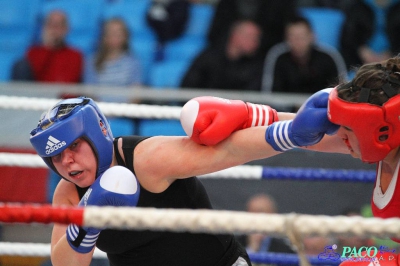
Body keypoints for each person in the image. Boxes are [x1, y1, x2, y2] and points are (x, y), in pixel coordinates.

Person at [29, 95, 312, 265]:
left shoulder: (147, 159)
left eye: (74, 147)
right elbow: (65, 263)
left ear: (97, 133)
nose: (67, 162)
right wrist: (85, 220)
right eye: (56, 156)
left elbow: (228, 150)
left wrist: (292, 132)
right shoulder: (68, 193)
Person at [181, 55, 400, 260]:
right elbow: (302, 131)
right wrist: (248, 115)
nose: (339, 134)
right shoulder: (378, 146)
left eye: (349, 128)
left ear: (380, 132)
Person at [262, 16, 347, 94]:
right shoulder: (278, 56)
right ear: (286, 38)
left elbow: (341, 91)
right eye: (292, 36)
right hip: (285, 110)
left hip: (324, 108)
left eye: (302, 36)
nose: (297, 41)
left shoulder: (329, 57)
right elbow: (270, 93)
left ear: (312, 36)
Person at [180, 20, 264, 91]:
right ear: (234, 36)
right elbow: (188, 86)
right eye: (250, 36)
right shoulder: (208, 58)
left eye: (257, 38)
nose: (255, 41)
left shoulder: (256, 66)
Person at [207, 0, 297, 58]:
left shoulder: (281, 4)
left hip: (265, 57)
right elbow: (215, 34)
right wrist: (232, 46)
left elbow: (290, 34)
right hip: (228, 58)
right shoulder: (227, 3)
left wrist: (256, 42)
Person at [12, 10, 83, 83]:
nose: (54, 29)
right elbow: (37, 78)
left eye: (59, 25)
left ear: (66, 29)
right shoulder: (33, 52)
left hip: (61, 93)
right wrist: (48, 46)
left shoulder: (75, 55)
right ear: (44, 28)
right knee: (20, 66)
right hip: (37, 93)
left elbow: (67, 82)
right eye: (50, 24)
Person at [83, 18, 143, 93]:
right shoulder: (92, 61)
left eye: (119, 33)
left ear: (126, 37)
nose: (115, 36)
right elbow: (89, 92)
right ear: (104, 36)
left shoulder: (133, 62)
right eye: (111, 32)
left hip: (126, 105)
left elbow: (136, 94)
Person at [340, 0, 400, 70]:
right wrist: (362, 51)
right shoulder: (357, 7)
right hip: (359, 63)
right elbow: (348, 37)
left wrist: (392, 53)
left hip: (394, 63)